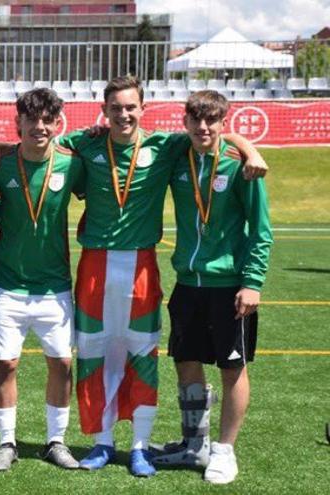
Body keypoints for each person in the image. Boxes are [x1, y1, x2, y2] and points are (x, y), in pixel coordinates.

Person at [0, 75, 267, 477]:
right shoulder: (86, 143)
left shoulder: (166, 146)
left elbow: (210, 131)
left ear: (143, 109)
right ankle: (101, 442)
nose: (123, 115)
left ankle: (139, 446)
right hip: (95, 267)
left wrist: (247, 146)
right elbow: (36, 144)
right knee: (94, 355)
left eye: (130, 107)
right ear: (105, 111)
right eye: (115, 108)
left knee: (142, 354)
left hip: (141, 268)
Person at [151, 90, 272, 484]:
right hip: (187, 282)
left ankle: (224, 451)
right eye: (196, 120)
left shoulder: (242, 167)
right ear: (185, 121)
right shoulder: (177, 158)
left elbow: (261, 230)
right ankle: (194, 445)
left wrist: (252, 282)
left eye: (212, 121)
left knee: (231, 368)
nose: (204, 128)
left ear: (224, 122)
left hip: (229, 286)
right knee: (185, 362)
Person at [0, 88, 83, 472]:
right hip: (6, 284)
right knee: (6, 365)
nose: (38, 127)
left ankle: (56, 441)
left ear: (57, 123)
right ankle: (7, 442)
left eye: (46, 120)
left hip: (55, 286)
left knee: (62, 364)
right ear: (18, 123)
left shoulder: (73, 164)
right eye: (31, 120)